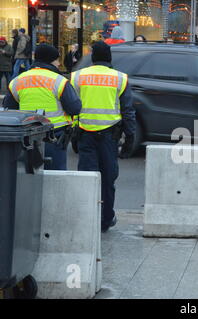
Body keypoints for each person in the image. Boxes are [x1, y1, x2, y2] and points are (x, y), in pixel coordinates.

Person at [71, 41, 136, 232]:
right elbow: (128, 111)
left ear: (93, 58)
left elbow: (72, 108)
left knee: (87, 177)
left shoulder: (77, 77)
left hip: (85, 134)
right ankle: (106, 219)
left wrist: (73, 132)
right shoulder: (120, 78)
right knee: (108, 178)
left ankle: (86, 218)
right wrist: (129, 138)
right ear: (109, 57)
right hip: (109, 136)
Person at [2, 44, 82, 170]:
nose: (58, 63)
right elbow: (75, 108)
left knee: (30, 175)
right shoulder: (59, 81)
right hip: (55, 135)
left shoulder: (17, 81)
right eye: (57, 60)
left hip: (27, 138)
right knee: (55, 176)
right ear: (51, 60)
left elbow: (9, 109)